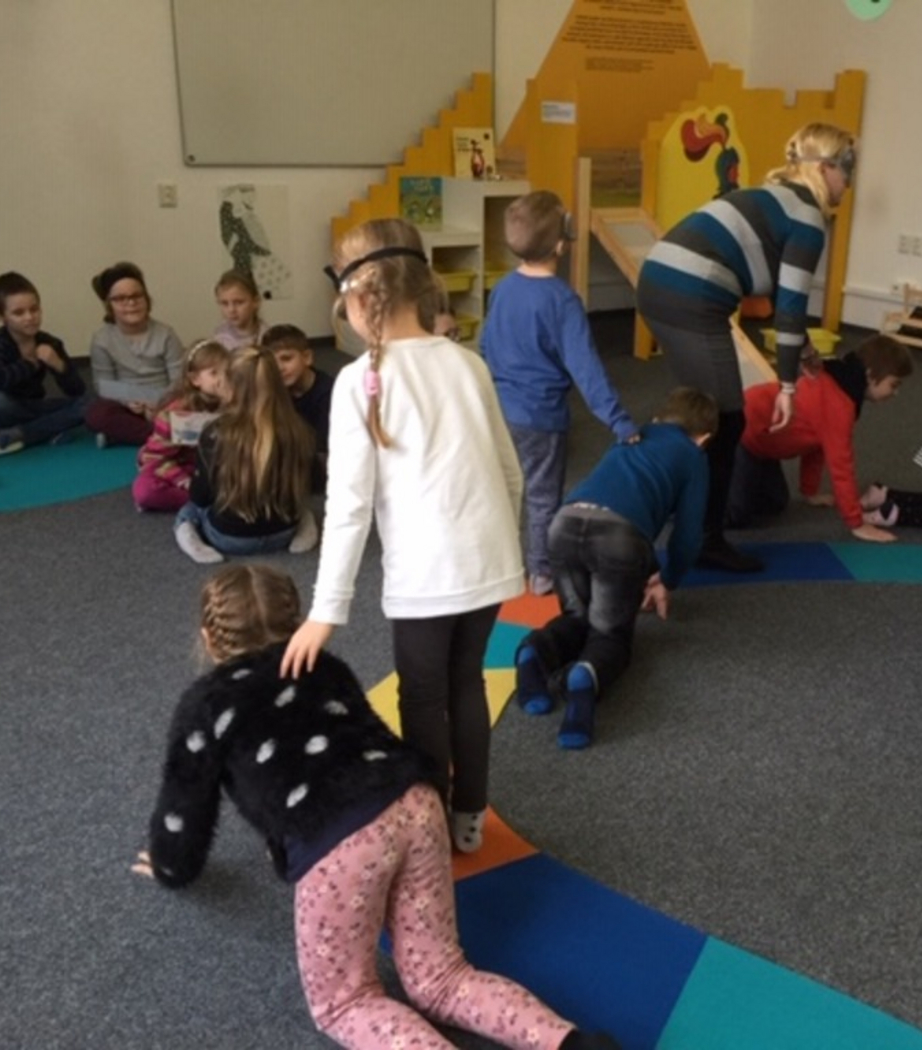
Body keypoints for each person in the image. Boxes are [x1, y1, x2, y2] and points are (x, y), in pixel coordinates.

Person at [133, 564, 621, 1050]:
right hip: (415, 802)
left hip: (339, 844)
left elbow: (184, 807)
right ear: (298, 623)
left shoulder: (206, 706)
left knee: (344, 1002)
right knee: (443, 977)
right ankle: (572, 1044)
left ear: (209, 640)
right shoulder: (324, 666)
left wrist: (170, 866)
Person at [281, 219, 524, 857]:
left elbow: (348, 507)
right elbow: (511, 473)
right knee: (467, 683)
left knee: (422, 695)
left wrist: (325, 612)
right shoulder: (468, 363)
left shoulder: (357, 381)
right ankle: (469, 814)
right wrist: (503, 548)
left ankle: (433, 824)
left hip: (426, 574)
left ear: (362, 300)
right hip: (489, 562)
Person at [636, 121, 858, 573]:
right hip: (692, 294)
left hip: (659, 282)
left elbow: (780, 298)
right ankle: (703, 538)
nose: (849, 181)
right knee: (726, 419)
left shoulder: (777, 199)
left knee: (701, 412)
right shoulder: (808, 217)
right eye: (846, 168)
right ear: (823, 167)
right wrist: (788, 387)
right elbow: (791, 308)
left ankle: (673, 506)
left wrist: (804, 355)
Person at [514, 387, 716, 750]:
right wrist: (668, 579)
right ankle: (585, 679)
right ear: (704, 439)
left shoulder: (633, 433)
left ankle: (534, 654)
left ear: (658, 418)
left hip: (564, 523)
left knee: (577, 617)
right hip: (619, 539)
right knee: (610, 635)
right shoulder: (693, 457)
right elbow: (688, 535)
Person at [480, 190, 639, 597]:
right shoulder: (563, 300)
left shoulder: (501, 289)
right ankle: (541, 572)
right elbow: (587, 369)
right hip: (541, 418)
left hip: (498, 410)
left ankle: (495, 564)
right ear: (561, 243)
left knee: (502, 487)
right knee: (541, 496)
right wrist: (620, 421)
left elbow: (485, 345)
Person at [727, 334, 911, 542]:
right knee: (737, 515)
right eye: (894, 385)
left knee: (774, 503)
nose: (895, 393)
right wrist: (856, 523)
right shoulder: (839, 405)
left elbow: (817, 444)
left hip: (763, 445)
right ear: (870, 375)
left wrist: (810, 491)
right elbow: (842, 468)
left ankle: (728, 476)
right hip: (742, 435)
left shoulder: (842, 384)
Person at [173, 346, 318, 563]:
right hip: (283, 533)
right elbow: (312, 482)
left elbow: (201, 496)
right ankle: (304, 527)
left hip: (229, 539)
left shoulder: (215, 432)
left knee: (189, 511)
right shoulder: (298, 428)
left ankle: (194, 540)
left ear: (230, 386)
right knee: (301, 506)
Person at [0, 271, 90, 450]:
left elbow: (76, 390)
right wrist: (29, 364)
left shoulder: (49, 342)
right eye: (18, 313)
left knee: (89, 403)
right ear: (0, 316)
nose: (29, 317)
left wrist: (59, 365)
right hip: (4, 410)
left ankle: (24, 433)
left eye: (34, 309)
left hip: (34, 404)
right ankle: (48, 429)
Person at [85, 261, 184, 447]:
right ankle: (164, 435)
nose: (131, 303)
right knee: (96, 413)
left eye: (137, 296)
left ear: (147, 299)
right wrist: (129, 400)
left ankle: (129, 434)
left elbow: (179, 380)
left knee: (194, 405)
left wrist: (159, 402)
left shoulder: (166, 334)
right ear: (109, 305)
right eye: (121, 298)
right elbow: (103, 385)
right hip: (127, 405)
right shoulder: (101, 339)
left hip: (165, 401)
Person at [132, 339, 231, 513]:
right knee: (146, 491)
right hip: (175, 463)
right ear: (195, 379)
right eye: (214, 373)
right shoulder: (177, 412)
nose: (222, 379)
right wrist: (183, 480)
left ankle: (210, 502)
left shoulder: (233, 402)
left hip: (211, 467)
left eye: (228, 373)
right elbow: (157, 458)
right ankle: (206, 503)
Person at [263, 322, 332, 481]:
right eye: (272, 362)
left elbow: (326, 450)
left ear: (307, 357)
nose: (279, 368)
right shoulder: (273, 389)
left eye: (286, 359)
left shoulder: (328, 393)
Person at [210, 269, 267, 350]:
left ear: (255, 302)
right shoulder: (219, 339)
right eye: (225, 303)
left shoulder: (266, 335)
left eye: (238, 302)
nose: (231, 310)